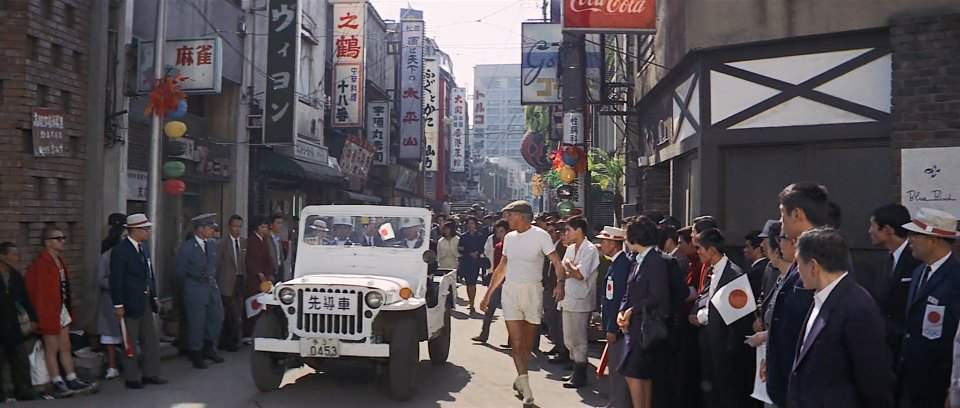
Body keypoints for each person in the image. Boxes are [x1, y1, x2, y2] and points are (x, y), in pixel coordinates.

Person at [786, 227, 894, 408]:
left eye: (799, 264)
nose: (797, 271)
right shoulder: (820, 298)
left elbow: (874, 379)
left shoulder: (857, 307)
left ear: (813, 266)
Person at [480, 200, 565, 405]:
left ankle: (521, 379)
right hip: (511, 292)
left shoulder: (541, 236)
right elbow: (502, 268)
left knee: (526, 344)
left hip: (533, 291)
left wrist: (560, 284)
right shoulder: (509, 238)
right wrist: (488, 294)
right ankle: (526, 387)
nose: (506, 219)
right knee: (516, 343)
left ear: (521, 216)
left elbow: (556, 263)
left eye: (509, 215)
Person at [766, 181, 828, 407]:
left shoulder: (823, 257)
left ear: (797, 214)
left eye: (782, 214)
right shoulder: (801, 255)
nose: (781, 222)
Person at [898, 207, 960, 408]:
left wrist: (953, 389)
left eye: (915, 235)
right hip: (911, 379)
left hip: (939, 383)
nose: (910, 240)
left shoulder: (956, 278)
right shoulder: (918, 272)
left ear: (934, 240)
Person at [689, 228, 754, 408]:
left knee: (727, 396)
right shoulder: (712, 272)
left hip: (726, 350)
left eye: (700, 248)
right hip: (710, 345)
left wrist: (703, 317)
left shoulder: (735, 275)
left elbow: (739, 318)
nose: (697, 252)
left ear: (711, 250)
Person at [25, 225, 93, 396]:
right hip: (48, 311)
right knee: (51, 347)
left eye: (63, 238)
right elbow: (38, 293)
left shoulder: (59, 262)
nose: (62, 241)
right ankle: (57, 380)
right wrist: (39, 316)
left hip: (61, 309)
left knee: (65, 345)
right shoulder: (41, 265)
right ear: (47, 242)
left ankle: (71, 377)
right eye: (58, 238)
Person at [617, 217, 671, 408]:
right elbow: (629, 291)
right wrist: (622, 311)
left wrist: (633, 310)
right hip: (634, 326)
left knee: (634, 373)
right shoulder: (637, 259)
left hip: (644, 326)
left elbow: (657, 295)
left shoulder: (655, 260)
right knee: (639, 374)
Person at [109, 214, 166, 389]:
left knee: (150, 339)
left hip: (145, 300)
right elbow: (116, 280)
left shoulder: (144, 248)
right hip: (129, 302)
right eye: (144, 229)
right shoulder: (121, 251)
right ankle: (132, 377)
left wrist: (154, 295)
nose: (147, 232)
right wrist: (118, 304)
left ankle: (150, 373)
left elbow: (149, 274)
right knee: (130, 341)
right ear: (134, 230)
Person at [868, 203, 922, 360]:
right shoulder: (887, 259)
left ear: (887, 230)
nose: (869, 231)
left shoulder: (915, 259)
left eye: (873, 226)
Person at [176, 213, 225, 369]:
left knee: (216, 316)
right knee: (196, 321)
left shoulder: (212, 244)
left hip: (210, 285)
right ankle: (196, 352)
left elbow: (214, 265)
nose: (212, 231)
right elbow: (180, 272)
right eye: (209, 228)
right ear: (200, 229)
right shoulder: (187, 247)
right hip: (194, 285)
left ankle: (209, 347)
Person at [557, 216, 600, 388]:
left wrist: (569, 265)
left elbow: (580, 274)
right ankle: (575, 369)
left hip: (581, 299)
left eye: (569, 230)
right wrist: (568, 269)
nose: (566, 233)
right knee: (568, 338)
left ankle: (581, 374)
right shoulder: (570, 248)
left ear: (579, 230)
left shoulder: (590, 249)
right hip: (568, 296)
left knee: (579, 339)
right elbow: (563, 271)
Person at [597, 227, 631, 408]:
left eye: (604, 241)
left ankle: (618, 403)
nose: (601, 245)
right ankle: (614, 401)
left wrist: (611, 328)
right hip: (613, 323)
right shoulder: (616, 263)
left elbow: (616, 300)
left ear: (613, 244)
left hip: (616, 327)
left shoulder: (621, 265)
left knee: (617, 368)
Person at [0, 242, 38, 401]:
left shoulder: (16, 277)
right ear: (2, 256)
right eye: (13, 254)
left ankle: (24, 391)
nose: (16, 258)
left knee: (21, 360)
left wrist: (33, 318)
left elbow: (25, 299)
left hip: (15, 325)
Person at [97, 213, 126, 380]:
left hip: (128, 298)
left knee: (127, 332)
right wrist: (116, 285)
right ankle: (112, 366)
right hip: (111, 299)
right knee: (110, 333)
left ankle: (123, 364)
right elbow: (100, 278)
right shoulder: (107, 254)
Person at [474, 220, 510, 343]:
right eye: (497, 232)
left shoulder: (514, 246)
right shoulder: (498, 246)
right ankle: (484, 335)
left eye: (502, 231)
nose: (499, 234)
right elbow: (496, 267)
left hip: (510, 283)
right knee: (490, 310)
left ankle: (512, 340)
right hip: (498, 282)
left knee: (510, 312)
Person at [215, 215, 246, 352]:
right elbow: (217, 265)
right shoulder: (222, 244)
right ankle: (229, 342)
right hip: (226, 282)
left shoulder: (244, 243)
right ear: (229, 227)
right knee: (230, 313)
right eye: (235, 226)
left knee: (238, 311)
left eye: (239, 226)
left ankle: (232, 340)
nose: (237, 229)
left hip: (240, 280)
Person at [244, 217, 275, 340]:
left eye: (266, 227)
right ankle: (248, 334)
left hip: (265, 278)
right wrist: (259, 273)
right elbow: (251, 261)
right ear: (258, 228)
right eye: (264, 227)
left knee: (263, 305)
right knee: (254, 304)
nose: (266, 229)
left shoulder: (264, 240)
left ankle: (258, 332)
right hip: (255, 279)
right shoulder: (252, 241)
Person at [545, 221, 570, 362]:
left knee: (559, 321)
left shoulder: (564, 247)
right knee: (551, 318)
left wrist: (559, 284)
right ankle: (558, 344)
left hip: (558, 287)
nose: (551, 234)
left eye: (553, 231)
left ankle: (563, 350)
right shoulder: (552, 245)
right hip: (549, 285)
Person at [459, 217, 487, 314]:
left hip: (476, 262)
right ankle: (470, 303)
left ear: (475, 225)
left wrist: (477, 253)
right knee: (468, 284)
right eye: (469, 223)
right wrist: (469, 253)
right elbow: (460, 249)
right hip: (466, 262)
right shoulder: (463, 236)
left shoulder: (480, 236)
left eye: (472, 223)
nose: (470, 225)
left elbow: (483, 248)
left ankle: (472, 303)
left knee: (473, 284)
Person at [744, 230, 769, 299]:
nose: (744, 250)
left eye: (747, 247)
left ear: (758, 249)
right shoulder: (769, 266)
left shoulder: (754, 273)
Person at [267, 214, 289, 282]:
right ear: (271, 225)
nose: (280, 226)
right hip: (271, 270)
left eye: (281, 223)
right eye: (278, 223)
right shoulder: (267, 239)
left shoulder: (279, 239)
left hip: (280, 269)